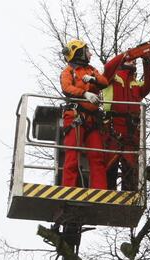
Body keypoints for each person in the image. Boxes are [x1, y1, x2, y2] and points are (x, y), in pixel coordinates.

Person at [101, 44, 150, 191]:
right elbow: (108, 68)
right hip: (112, 129)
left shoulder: (135, 83)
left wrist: (147, 62)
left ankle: (129, 197)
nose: (133, 61)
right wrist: (126, 54)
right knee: (109, 168)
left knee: (131, 170)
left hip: (131, 132)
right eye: (132, 60)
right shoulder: (111, 78)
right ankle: (107, 197)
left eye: (135, 61)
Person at [59, 39, 110, 188]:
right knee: (72, 156)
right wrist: (84, 94)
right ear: (79, 52)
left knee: (97, 157)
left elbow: (104, 82)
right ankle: (68, 189)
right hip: (75, 116)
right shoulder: (68, 71)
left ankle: (100, 190)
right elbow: (66, 88)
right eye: (87, 51)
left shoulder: (91, 70)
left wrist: (93, 80)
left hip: (92, 119)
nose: (90, 54)